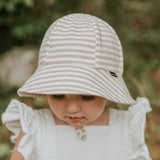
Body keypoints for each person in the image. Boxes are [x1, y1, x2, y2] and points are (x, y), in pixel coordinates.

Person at [2, 13, 152, 160]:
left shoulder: (126, 130)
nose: (72, 108)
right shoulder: (35, 128)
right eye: (58, 95)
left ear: (107, 91)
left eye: (87, 96)